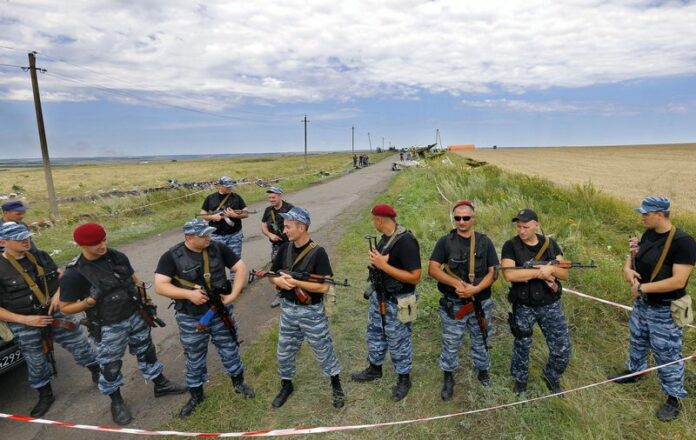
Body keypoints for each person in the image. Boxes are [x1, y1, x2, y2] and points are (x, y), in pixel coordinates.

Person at [59, 223, 185, 426]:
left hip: (135, 314)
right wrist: (89, 302)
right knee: (110, 366)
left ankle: (160, 384)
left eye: (104, 240)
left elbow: (134, 279)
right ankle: (116, 401)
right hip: (108, 326)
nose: (102, 245)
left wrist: (147, 301)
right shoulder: (75, 273)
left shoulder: (116, 256)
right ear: (81, 245)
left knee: (147, 350)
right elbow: (64, 308)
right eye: (95, 244)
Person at [154, 219, 255, 418]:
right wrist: (188, 295)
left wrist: (233, 295)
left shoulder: (217, 248)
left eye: (209, 233)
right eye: (204, 235)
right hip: (191, 317)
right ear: (189, 238)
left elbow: (240, 268)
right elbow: (160, 285)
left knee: (229, 347)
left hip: (219, 312)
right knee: (194, 356)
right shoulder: (171, 256)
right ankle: (196, 395)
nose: (209, 237)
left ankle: (238, 383)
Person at [609, 197, 696, 422]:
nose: (642, 216)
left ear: (660, 213)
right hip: (643, 304)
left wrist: (642, 287)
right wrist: (628, 269)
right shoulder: (648, 234)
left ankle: (674, 398)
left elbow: (678, 281)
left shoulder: (683, 242)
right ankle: (635, 372)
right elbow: (635, 261)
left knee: (666, 353)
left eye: (646, 213)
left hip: (666, 308)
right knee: (637, 340)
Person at [0, 222, 99, 418]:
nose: (25, 240)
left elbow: (61, 278)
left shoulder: (41, 256)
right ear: (3, 242)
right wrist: (25, 320)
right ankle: (45, 394)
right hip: (24, 319)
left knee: (80, 344)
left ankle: (98, 373)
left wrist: (58, 294)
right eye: (19, 238)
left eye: (26, 236)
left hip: (55, 313)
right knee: (35, 359)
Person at [267, 207, 345, 409]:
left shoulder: (318, 253)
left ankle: (336, 384)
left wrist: (297, 283)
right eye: (284, 226)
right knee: (284, 351)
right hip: (288, 309)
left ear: (301, 227)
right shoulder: (284, 249)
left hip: (311, 311)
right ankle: (286, 384)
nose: (284, 231)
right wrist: (279, 282)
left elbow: (324, 286)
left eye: (288, 227)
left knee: (323, 348)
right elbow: (272, 275)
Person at [428, 200, 499, 400]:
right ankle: (448, 376)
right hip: (454, 304)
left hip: (480, 302)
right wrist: (456, 284)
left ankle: (483, 371)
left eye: (465, 218)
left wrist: (475, 289)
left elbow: (494, 272)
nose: (461, 222)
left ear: (473, 219)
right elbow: (433, 269)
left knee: (482, 338)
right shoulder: (445, 242)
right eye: (457, 218)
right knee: (451, 342)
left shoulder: (485, 242)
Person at [351, 204, 421, 401]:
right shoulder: (385, 240)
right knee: (375, 332)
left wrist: (383, 265)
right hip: (380, 297)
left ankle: (404, 378)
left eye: (374, 219)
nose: (373, 223)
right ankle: (375, 368)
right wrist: (378, 264)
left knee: (399, 339)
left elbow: (415, 277)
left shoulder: (406, 241)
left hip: (400, 300)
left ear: (380, 220)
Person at [500, 208, 570, 396]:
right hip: (524, 305)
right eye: (518, 227)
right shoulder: (511, 246)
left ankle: (551, 377)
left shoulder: (550, 244)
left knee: (561, 347)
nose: (521, 231)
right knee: (522, 346)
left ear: (536, 225)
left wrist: (551, 270)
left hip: (550, 305)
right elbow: (509, 274)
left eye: (526, 227)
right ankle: (520, 380)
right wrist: (541, 272)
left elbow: (564, 273)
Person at [199, 176, 248, 275]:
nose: (230, 188)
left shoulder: (237, 197)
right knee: (216, 261)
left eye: (231, 186)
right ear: (220, 186)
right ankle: (221, 284)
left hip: (234, 234)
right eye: (227, 186)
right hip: (216, 235)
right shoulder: (210, 198)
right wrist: (213, 217)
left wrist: (234, 215)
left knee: (235, 260)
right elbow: (202, 215)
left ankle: (235, 284)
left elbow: (246, 213)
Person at [261, 187, 294, 308]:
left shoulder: (290, 208)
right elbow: (263, 225)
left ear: (280, 196)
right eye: (269, 198)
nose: (271, 200)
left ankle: (294, 291)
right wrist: (270, 234)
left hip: (290, 244)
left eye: (273, 197)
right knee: (277, 269)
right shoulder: (267, 210)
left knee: (292, 268)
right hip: (276, 246)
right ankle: (280, 294)